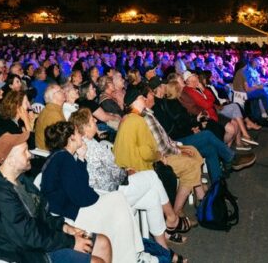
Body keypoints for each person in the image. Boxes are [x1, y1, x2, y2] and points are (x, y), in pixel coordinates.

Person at [0, 132, 112, 263]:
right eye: (24, 151)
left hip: (42, 240)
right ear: (10, 161)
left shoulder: (21, 181)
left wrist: (65, 227)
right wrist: (71, 241)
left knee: (103, 243)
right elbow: (27, 236)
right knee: (95, 261)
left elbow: (43, 215)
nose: (30, 155)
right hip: (24, 253)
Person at [71, 107, 189, 249]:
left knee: (152, 197)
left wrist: (124, 170)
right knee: (152, 176)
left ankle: (163, 247)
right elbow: (112, 177)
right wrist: (126, 172)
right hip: (109, 196)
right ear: (85, 127)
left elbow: (108, 171)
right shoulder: (91, 148)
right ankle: (172, 218)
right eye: (92, 120)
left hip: (110, 190)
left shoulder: (87, 143)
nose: (95, 120)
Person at [41, 121, 147, 262]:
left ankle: (130, 256)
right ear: (71, 138)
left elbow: (80, 188)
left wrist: (81, 158)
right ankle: (131, 256)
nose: (82, 136)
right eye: (78, 133)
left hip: (67, 210)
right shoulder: (64, 159)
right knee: (117, 200)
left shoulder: (61, 157)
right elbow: (83, 197)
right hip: (66, 217)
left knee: (117, 201)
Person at [114, 86, 205, 216]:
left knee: (192, 151)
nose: (144, 99)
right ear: (134, 102)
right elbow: (147, 152)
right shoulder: (139, 120)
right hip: (142, 168)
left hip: (130, 167)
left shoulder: (129, 118)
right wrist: (159, 156)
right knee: (191, 165)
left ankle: (199, 194)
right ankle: (175, 213)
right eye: (141, 98)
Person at [34, 84, 66, 150]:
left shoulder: (53, 109)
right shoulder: (52, 114)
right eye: (60, 91)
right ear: (54, 96)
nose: (64, 91)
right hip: (48, 152)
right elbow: (61, 139)